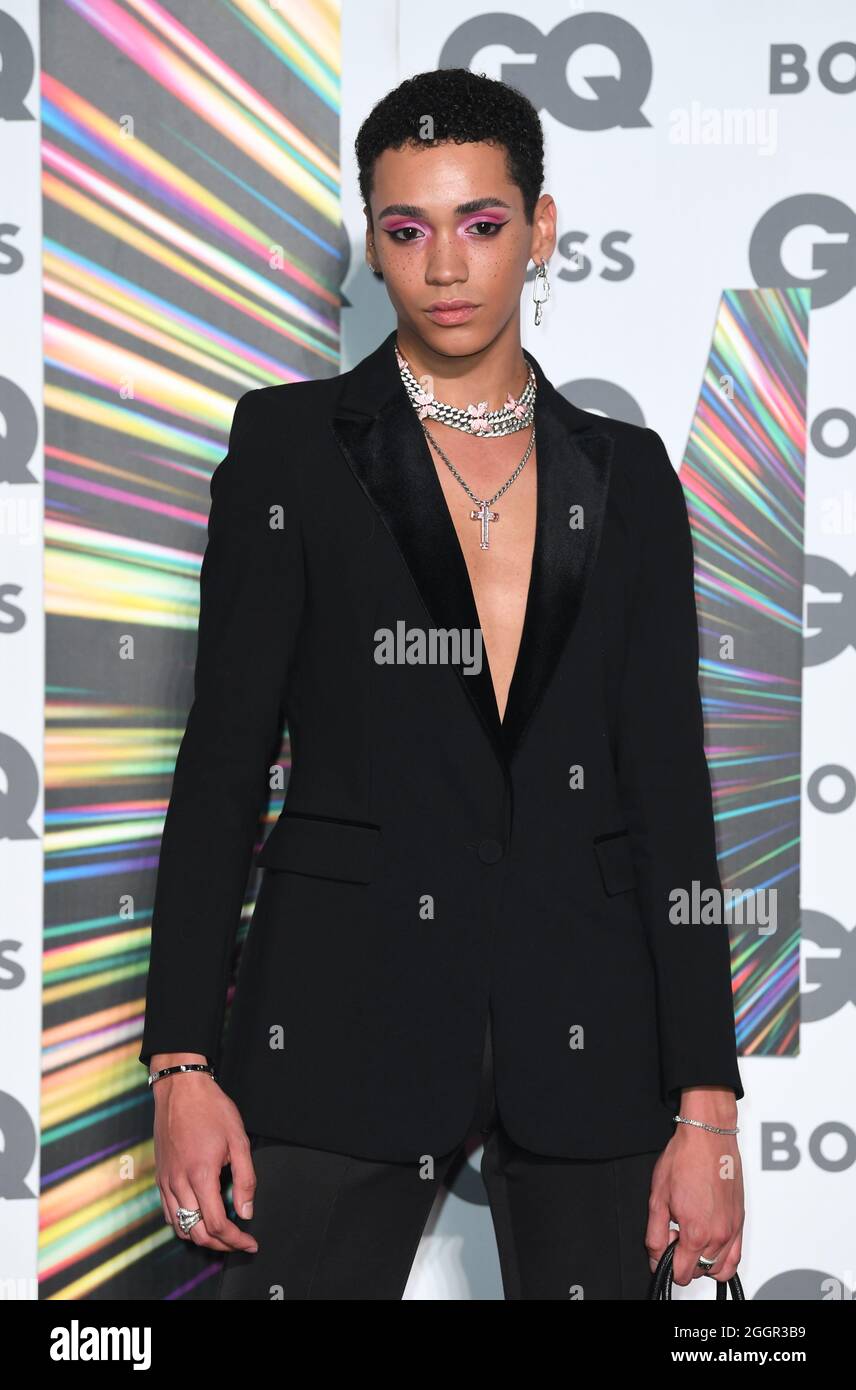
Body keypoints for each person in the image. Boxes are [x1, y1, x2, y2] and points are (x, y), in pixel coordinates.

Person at [139, 67, 745, 1300]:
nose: (447, 267)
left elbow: (671, 793)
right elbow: (221, 763)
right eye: (407, 230)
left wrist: (708, 1109)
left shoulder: (628, 478)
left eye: (481, 225)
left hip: (590, 1032)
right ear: (370, 243)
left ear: (543, 230)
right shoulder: (291, 449)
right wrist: (182, 1062)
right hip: (334, 1013)